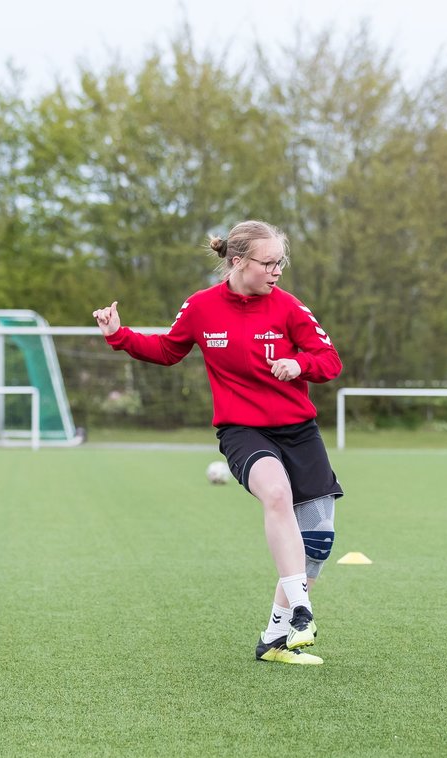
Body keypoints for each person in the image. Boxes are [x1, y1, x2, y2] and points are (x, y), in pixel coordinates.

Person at [92, 220, 343, 665]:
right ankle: (302, 608)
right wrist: (118, 335)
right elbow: (168, 350)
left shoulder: (289, 308)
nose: (276, 271)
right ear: (237, 261)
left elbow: (329, 361)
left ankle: (274, 640)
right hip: (242, 430)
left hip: (299, 430)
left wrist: (297, 364)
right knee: (276, 492)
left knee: (318, 544)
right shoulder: (201, 307)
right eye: (268, 263)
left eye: (280, 262)